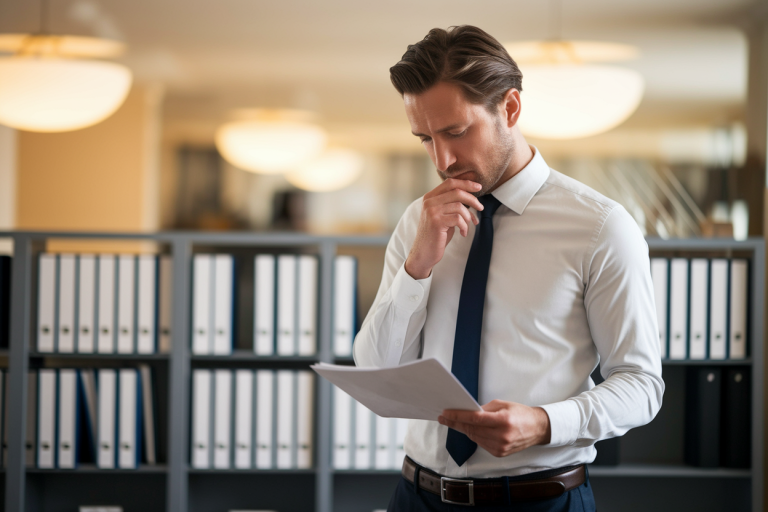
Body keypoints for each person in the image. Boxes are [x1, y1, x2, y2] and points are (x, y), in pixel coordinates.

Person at [352, 25, 664, 511]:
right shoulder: (419, 220)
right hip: (416, 497)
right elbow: (377, 370)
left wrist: (544, 423)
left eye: (456, 132)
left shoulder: (600, 227)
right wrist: (417, 266)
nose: (442, 159)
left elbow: (641, 385)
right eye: (425, 139)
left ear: (511, 108)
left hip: (541, 500)